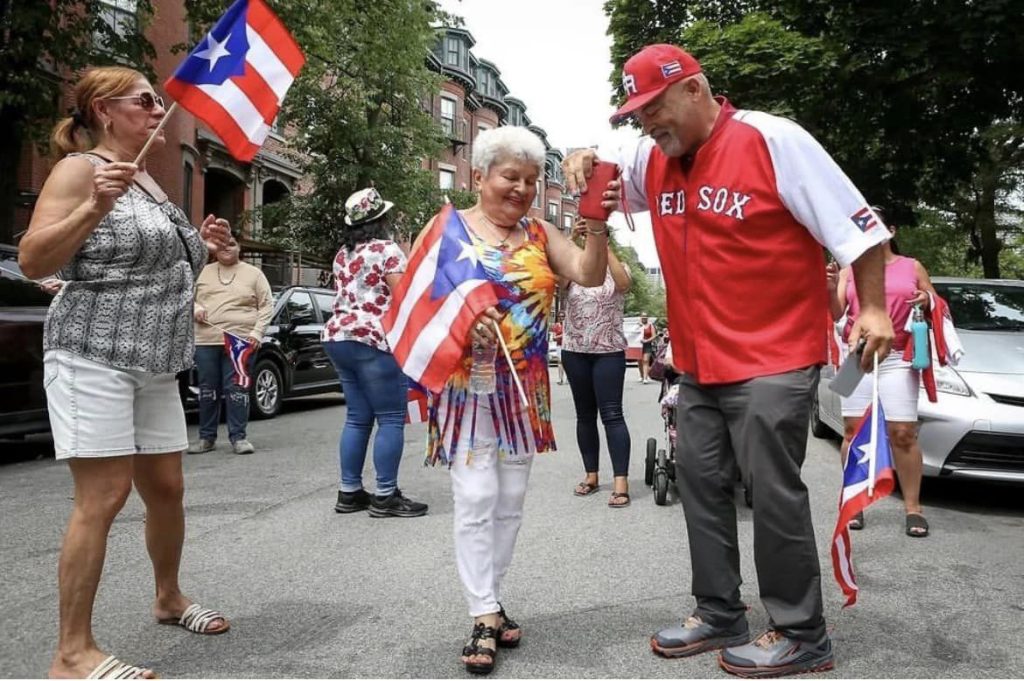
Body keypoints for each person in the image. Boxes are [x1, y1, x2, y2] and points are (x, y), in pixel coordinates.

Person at [564, 44, 894, 678]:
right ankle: (720, 611)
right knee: (701, 484)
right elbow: (603, 171)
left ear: (695, 89)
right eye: (636, 115)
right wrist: (582, 156)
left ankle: (802, 631)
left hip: (774, 354)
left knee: (771, 491)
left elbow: (860, 228)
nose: (647, 125)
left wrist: (873, 309)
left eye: (655, 107)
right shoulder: (651, 154)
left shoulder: (772, 138)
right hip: (696, 361)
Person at [18, 66, 233, 680]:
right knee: (104, 496)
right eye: (145, 99)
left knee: (166, 489)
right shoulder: (80, 171)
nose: (157, 107)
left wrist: (208, 245)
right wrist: (93, 207)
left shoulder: (151, 183)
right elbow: (35, 258)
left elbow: (151, 265)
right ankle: (71, 653)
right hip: (92, 352)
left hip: (156, 360)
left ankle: (168, 598)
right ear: (106, 112)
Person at [412, 126, 617, 675]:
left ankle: (492, 601)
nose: (522, 188)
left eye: (531, 179)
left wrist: (596, 224)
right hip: (464, 388)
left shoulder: (540, 232)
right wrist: (458, 323)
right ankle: (482, 613)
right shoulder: (444, 230)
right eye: (511, 176)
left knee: (508, 504)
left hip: (524, 391)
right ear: (479, 177)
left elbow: (591, 274)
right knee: (476, 497)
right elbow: (412, 299)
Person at [827, 207, 936, 537]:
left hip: (899, 356)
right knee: (851, 432)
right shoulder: (849, 268)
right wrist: (831, 287)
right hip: (855, 355)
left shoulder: (911, 266)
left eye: (873, 224)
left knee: (902, 432)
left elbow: (934, 302)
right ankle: (854, 501)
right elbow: (836, 312)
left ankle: (913, 508)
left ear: (890, 230)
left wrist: (926, 300)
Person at [322, 187, 428, 518]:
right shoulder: (388, 250)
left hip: (339, 335)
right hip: (374, 339)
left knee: (357, 417)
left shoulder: (343, 253)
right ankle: (385, 495)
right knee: (391, 417)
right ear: (380, 219)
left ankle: (349, 491)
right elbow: (403, 296)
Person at [562, 220, 634, 507]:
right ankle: (591, 475)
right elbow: (557, 281)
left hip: (608, 352)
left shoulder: (618, 267)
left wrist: (602, 242)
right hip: (575, 351)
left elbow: (624, 285)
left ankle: (621, 482)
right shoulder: (575, 265)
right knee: (584, 416)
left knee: (612, 415)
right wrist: (570, 241)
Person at [187, 235, 273, 455]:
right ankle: (207, 438)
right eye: (222, 245)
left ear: (239, 248)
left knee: (237, 389)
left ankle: (239, 438)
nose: (227, 248)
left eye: (232, 244)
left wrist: (257, 333)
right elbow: (183, 296)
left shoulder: (254, 274)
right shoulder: (201, 272)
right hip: (206, 340)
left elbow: (266, 306)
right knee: (208, 390)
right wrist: (195, 307)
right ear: (215, 249)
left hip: (241, 342)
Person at [639, 314, 657, 383]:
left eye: (645, 316)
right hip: (638, 345)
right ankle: (641, 376)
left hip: (647, 345)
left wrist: (647, 340)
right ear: (640, 317)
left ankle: (645, 378)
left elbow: (654, 335)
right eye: (642, 316)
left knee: (646, 360)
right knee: (640, 361)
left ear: (647, 318)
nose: (644, 318)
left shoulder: (650, 325)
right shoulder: (637, 325)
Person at [550, 313, 565, 384]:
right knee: (560, 362)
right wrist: (562, 335)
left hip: (567, 346)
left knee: (568, 363)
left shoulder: (567, 325)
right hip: (559, 346)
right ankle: (560, 379)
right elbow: (554, 337)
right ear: (558, 317)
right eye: (560, 316)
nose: (561, 318)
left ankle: (567, 379)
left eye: (563, 316)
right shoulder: (556, 326)